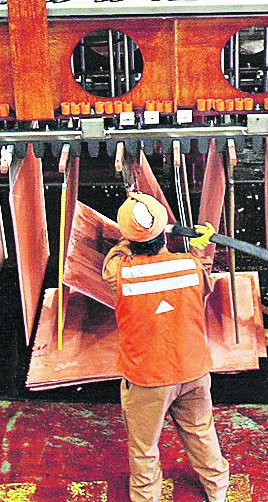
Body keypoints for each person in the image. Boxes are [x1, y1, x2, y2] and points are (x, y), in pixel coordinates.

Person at [102, 191, 230, 502]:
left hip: (148, 380)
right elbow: (203, 271)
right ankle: (218, 491)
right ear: (163, 234)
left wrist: (132, 234)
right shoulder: (189, 267)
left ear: (129, 240)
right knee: (201, 432)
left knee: (144, 449)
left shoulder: (121, 273)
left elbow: (113, 258)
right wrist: (201, 244)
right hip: (193, 369)